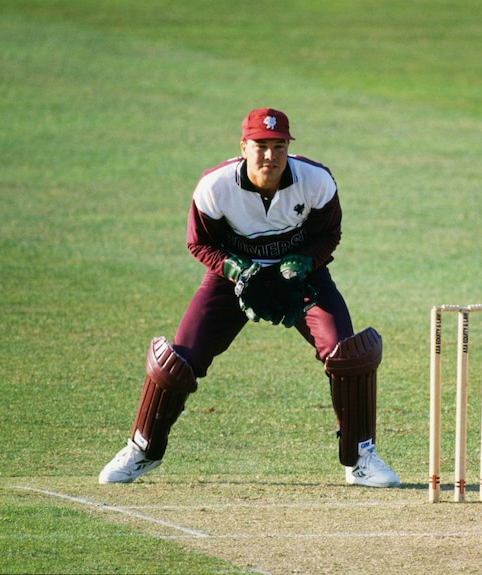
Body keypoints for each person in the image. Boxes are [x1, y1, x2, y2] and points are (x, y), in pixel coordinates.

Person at [99, 107, 400, 488]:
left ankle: (360, 459)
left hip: (301, 274)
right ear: (244, 147)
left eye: (279, 146)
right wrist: (234, 269)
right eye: (261, 146)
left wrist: (303, 263)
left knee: (347, 353)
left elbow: (330, 234)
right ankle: (142, 450)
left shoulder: (316, 181)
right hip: (233, 276)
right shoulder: (214, 187)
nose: (271, 156)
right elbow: (199, 242)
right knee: (177, 361)